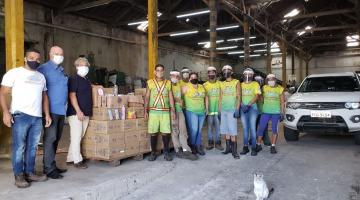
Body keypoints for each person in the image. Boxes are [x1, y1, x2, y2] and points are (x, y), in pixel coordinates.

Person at [0, 49, 51, 188]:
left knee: (32, 147)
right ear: (25, 58)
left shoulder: (41, 77)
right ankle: (19, 175)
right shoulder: (14, 73)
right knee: (19, 147)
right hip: (20, 115)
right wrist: (6, 112)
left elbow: (44, 97)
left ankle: (30, 172)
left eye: (37, 58)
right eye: (31, 57)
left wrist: (46, 114)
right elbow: (3, 93)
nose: (35, 60)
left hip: (37, 117)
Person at [37, 46, 68, 179]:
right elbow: (40, 91)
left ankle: (51, 165)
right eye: (56, 54)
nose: (59, 56)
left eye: (61, 54)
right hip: (50, 110)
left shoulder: (61, 70)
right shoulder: (43, 69)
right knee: (50, 139)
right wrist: (46, 112)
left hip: (61, 110)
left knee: (56, 139)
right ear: (50, 55)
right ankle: (49, 169)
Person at [144, 64, 176, 161]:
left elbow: (171, 97)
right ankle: (153, 153)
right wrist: (145, 110)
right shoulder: (150, 82)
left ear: (164, 71)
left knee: (166, 133)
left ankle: (166, 152)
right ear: (154, 72)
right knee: (153, 133)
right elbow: (147, 97)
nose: (159, 72)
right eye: (157, 70)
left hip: (165, 112)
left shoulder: (168, 83)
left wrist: (173, 110)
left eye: (161, 70)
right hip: (153, 112)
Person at [66, 57, 92, 169]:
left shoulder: (86, 80)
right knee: (76, 137)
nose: (85, 67)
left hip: (85, 113)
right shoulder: (74, 79)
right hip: (76, 113)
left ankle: (70, 157)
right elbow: (72, 95)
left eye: (86, 65)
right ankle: (77, 161)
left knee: (78, 136)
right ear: (77, 67)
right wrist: (78, 111)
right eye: (82, 65)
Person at [169, 70, 198, 160]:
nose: (175, 78)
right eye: (173, 76)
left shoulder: (178, 85)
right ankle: (178, 150)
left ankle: (185, 149)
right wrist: (177, 100)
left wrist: (181, 103)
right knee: (175, 131)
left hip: (180, 110)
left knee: (183, 130)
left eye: (177, 77)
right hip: (171, 111)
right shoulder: (168, 85)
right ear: (170, 76)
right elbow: (167, 97)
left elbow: (182, 96)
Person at [256, 74, 285, 154]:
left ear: (275, 79)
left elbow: (282, 102)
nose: (271, 81)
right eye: (269, 79)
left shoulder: (280, 89)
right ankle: (258, 145)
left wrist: (282, 113)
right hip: (265, 112)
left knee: (274, 130)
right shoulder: (264, 88)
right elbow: (261, 100)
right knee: (261, 128)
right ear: (267, 81)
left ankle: (273, 146)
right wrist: (260, 94)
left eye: (272, 79)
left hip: (276, 113)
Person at [183, 72, 208, 156]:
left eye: (195, 77)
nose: (194, 78)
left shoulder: (202, 87)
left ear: (197, 78)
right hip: (191, 111)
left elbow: (206, 97)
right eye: (192, 77)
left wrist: (207, 108)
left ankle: (198, 146)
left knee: (199, 130)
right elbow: (178, 97)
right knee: (194, 130)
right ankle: (192, 145)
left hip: (201, 112)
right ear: (189, 79)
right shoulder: (186, 87)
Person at [219, 65, 241, 159]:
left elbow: (239, 96)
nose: (226, 72)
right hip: (224, 109)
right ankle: (228, 148)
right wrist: (219, 110)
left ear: (231, 72)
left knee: (232, 130)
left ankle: (234, 151)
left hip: (232, 109)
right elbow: (220, 97)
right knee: (226, 130)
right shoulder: (221, 83)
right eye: (224, 70)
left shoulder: (236, 82)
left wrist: (237, 109)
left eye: (228, 70)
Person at [240, 68, 261, 156]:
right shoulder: (240, 84)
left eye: (250, 74)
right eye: (246, 74)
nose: (247, 76)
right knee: (245, 128)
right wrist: (242, 105)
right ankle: (245, 147)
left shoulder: (255, 84)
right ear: (243, 75)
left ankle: (253, 147)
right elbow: (238, 96)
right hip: (243, 108)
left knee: (252, 128)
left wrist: (248, 105)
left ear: (252, 75)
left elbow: (257, 95)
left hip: (252, 108)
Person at [204, 66, 223, 151]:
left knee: (218, 128)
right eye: (209, 72)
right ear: (207, 74)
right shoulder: (204, 85)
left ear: (215, 73)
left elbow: (222, 96)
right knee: (210, 128)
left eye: (213, 72)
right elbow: (204, 98)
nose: (211, 74)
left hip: (218, 110)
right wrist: (206, 109)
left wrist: (220, 108)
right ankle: (210, 143)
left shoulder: (220, 84)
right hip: (210, 111)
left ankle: (218, 143)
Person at [254, 75, 270, 146]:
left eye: (259, 82)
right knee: (253, 126)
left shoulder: (264, 89)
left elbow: (263, 100)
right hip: (254, 112)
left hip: (263, 111)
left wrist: (259, 93)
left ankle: (265, 138)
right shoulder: (252, 87)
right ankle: (252, 138)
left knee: (263, 126)